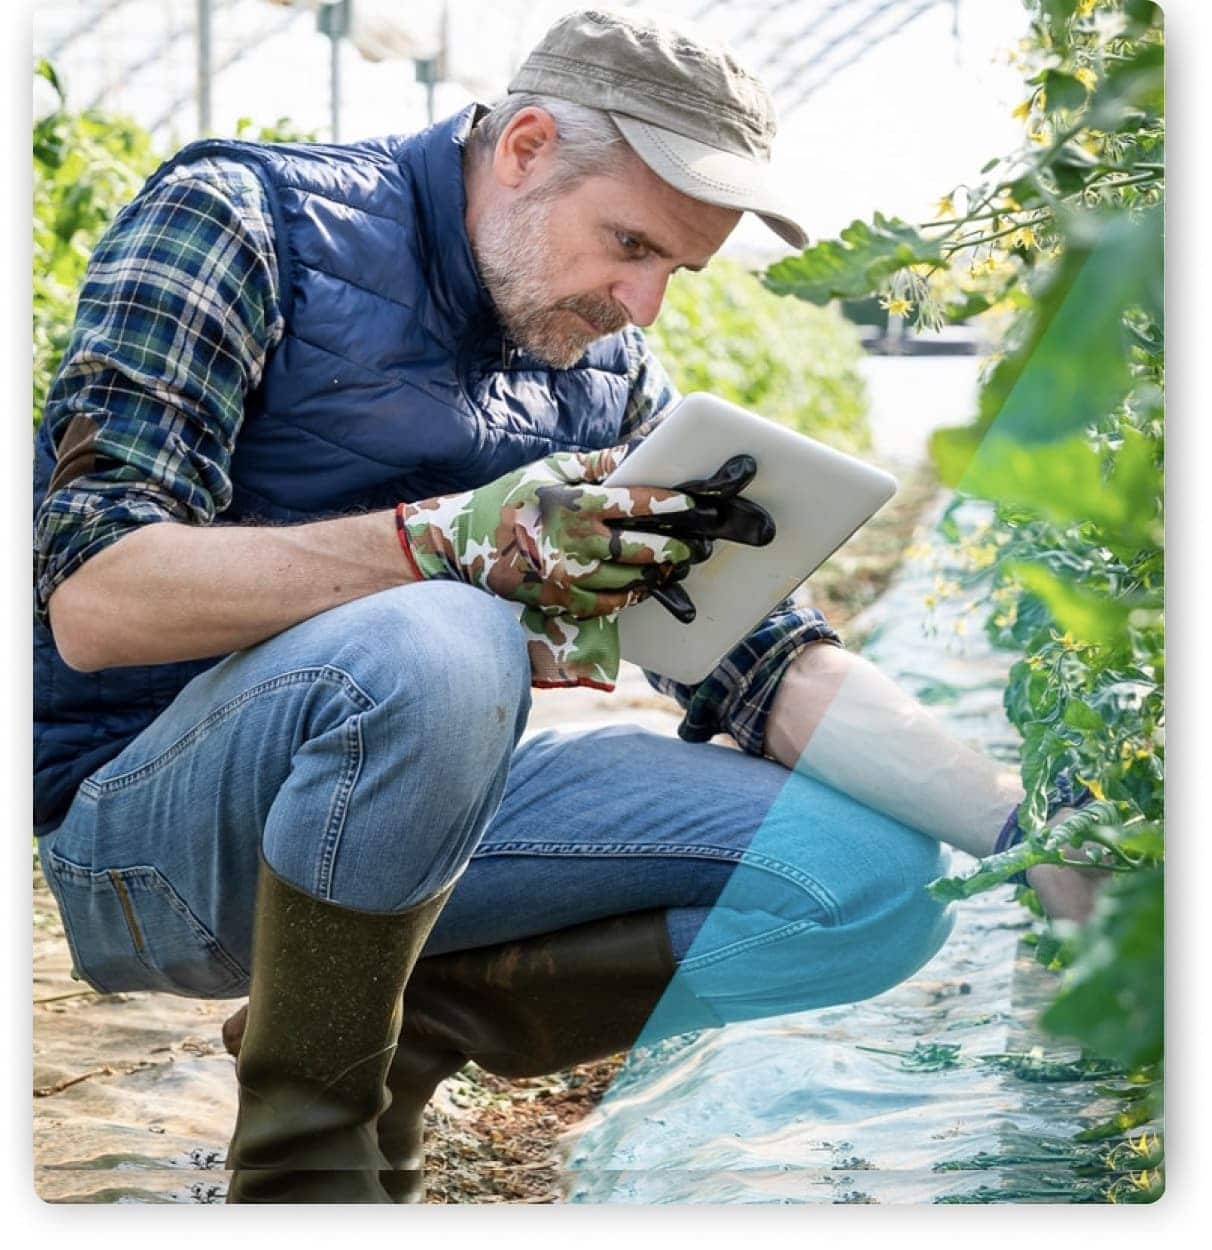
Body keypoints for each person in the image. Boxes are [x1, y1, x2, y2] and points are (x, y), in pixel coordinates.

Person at [32, 8, 1099, 1205]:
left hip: (408, 818)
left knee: (873, 876)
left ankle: (388, 1034)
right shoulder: (246, 221)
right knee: (449, 629)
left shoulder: (610, 376)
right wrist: (443, 542)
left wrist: (1029, 834)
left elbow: (762, 659)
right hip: (153, 834)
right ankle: (306, 1175)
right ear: (527, 147)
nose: (642, 305)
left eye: (676, 271)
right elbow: (93, 595)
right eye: (629, 242)